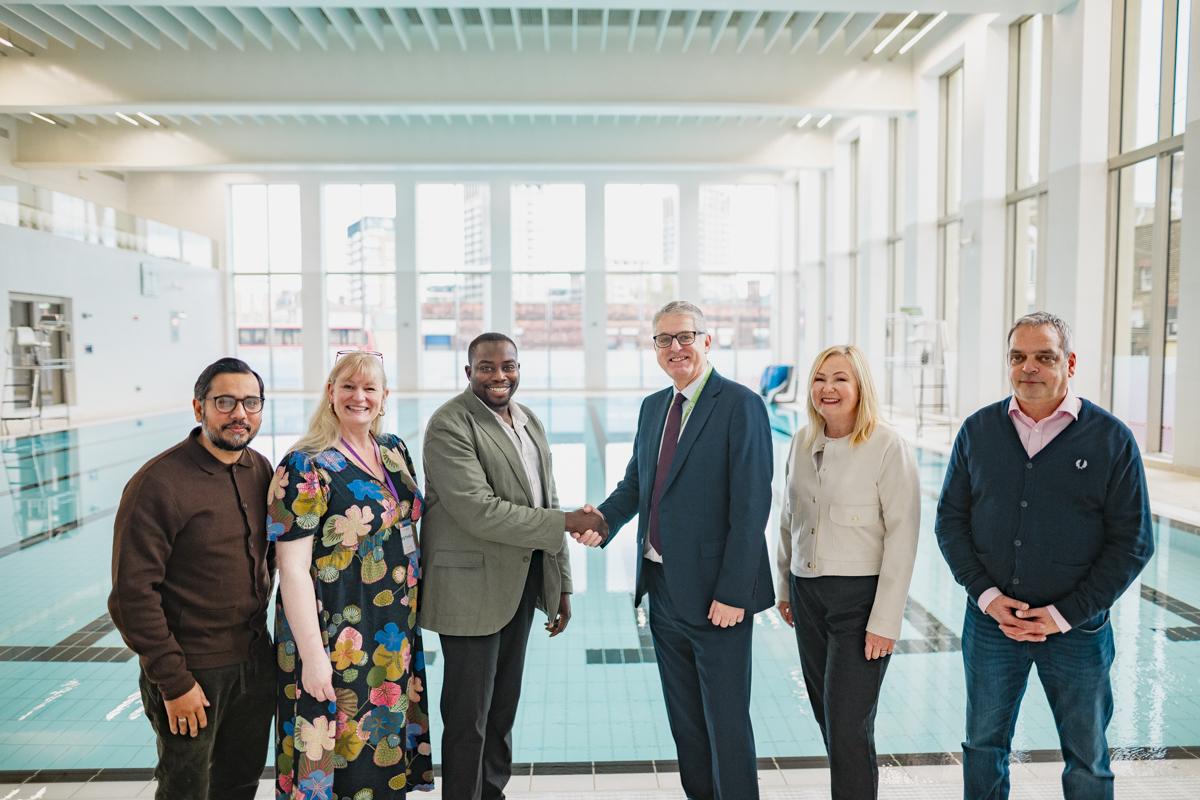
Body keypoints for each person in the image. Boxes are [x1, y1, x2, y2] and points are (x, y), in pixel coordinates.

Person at [936, 312, 1155, 800]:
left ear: (1069, 362)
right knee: (984, 747)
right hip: (993, 624)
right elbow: (950, 523)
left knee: (1087, 756)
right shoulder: (978, 430)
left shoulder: (1110, 439)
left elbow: (1134, 542)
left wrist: (1062, 615)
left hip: (1078, 631)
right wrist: (988, 597)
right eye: (1018, 357)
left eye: (1044, 356)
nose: (1028, 367)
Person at [576, 300, 774, 800]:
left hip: (717, 596)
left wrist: (733, 593)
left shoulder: (740, 405)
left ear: (707, 341)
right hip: (662, 588)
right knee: (686, 722)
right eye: (664, 339)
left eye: (685, 336)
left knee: (726, 723)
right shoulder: (653, 408)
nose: (675, 348)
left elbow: (752, 508)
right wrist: (603, 520)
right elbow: (637, 484)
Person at [420, 332, 599, 800]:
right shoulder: (450, 425)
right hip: (470, 593)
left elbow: (547, 497)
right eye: (487, 367)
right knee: (468, 719)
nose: (499, 376)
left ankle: (492, 794)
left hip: (520, 585)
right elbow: (478, 509)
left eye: (508, 366)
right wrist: (565, 522)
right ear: (468, 372)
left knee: (501, 713)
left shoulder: (528, 421)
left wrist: (561, 585)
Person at [108, 357, 276, 800]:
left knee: (239, 783)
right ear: (199, 408)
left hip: (254, 663)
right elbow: (131, 594)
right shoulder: (158, 484)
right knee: (187, 788)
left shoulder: (260, 469)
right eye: (225, 401)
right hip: (193, 670)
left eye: (251, 402)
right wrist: (174, 680)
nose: (240, 413)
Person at [269, 350, 434, 798]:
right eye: (348, 386)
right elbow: (293, 569)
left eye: (369, 388)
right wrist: (314, 655)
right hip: (334, 633)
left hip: (391, 630)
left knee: (383, 745)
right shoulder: (306, 465)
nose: (358, 396)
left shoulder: (394, 451)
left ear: (384, 398)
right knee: (335, 747)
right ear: (330, 393)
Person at [774, 345, 920, 799]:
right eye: (819, 379)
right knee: (827, 716)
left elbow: (904, 536)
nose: (828, 388)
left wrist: (885, 621)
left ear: (860, 388)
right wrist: (785, 586)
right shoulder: (801, 440)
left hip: (859, 601)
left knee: (848, 723)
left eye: (840, 379)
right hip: (807, 595)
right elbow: (787, 518)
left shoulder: (886, 445)